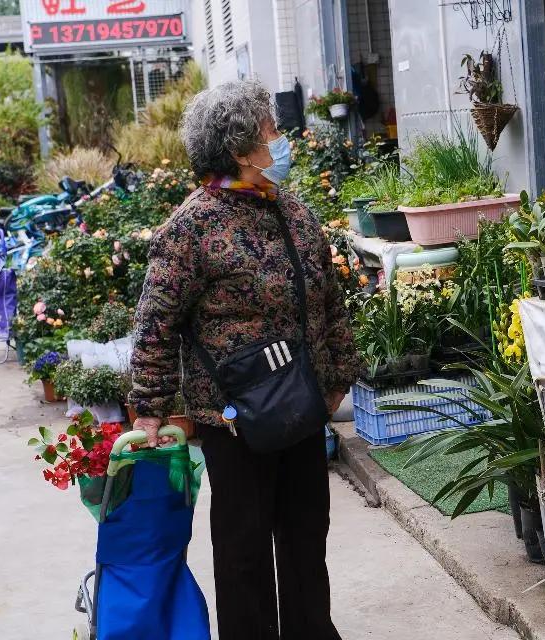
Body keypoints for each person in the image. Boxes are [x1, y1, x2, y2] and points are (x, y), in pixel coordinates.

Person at [128, 79, 359, 639]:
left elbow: (327, 297)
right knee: (243, 549)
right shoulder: (191, 227)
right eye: (270, 131)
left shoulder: (291, 210)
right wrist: (150, 408)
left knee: (306, 536)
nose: (280, 141)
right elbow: (155, 323)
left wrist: (338, 374)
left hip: (300, 403)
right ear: (239, 149)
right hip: (233, 417)